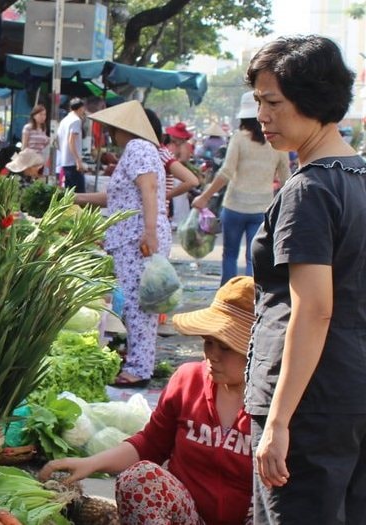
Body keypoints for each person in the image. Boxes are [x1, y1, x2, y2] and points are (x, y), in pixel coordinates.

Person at [244, 35, 366, 524]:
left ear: (312, 98)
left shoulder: (310, 190)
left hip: (309, 405)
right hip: (351, 395)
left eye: (273, 101)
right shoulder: (357, 178)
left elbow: (314, 310)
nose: (263, 116)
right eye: (257, 102)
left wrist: (278, 420)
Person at [39, 277, 256, 525]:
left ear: (255, 348)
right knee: (139, 477)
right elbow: (150, 444)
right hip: (187, 517)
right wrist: (90, 463)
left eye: (226, 348)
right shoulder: (188, 380)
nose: (212, 355)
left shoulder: (278, 404)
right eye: (208, 343)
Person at [73, 101, 171, 387]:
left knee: (139, 305)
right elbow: (115, 198)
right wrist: (75, 197)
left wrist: (149, 231)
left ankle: (139, 369)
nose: (111, 134)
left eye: (113, 129)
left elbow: (149, 188)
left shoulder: (138, 148)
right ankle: (139, 362)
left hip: (138, 237)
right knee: (137, 303)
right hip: (132, 236)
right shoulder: (138, 151)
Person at [192, 92, 290, 285]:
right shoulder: (276, 141)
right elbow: (286, 177)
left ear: (243, 116)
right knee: (252, 257)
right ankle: (249, 301)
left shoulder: (239, 138)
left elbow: (226, 172)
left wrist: (205, 197)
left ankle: (226, 299)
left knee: (229, 255)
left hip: (234, 207)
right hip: (262, 210)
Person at [145, 108, 198, 218]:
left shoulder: (180, 148)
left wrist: (172, 163)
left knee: (179, 203)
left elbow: (183, 161)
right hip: (175, 174)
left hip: (178, 176)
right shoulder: (173, 147)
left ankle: (178, 220)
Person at [56, 98, 87, 191]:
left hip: (64, 161)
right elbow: (71, 141)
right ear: (81, 108)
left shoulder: (64, 120)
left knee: (69, 193)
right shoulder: (76, 120)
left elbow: (58, 140)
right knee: (80, 193)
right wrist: (78, 160)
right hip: (73, 163)